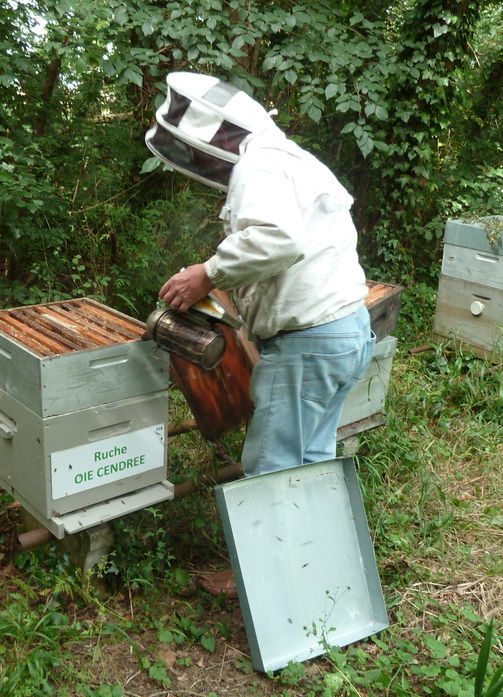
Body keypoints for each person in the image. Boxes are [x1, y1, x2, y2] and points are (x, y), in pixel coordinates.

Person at [146, 72, 375, 482]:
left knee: (273, 473)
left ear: (221, 139)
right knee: (311, 460)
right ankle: (314, 542)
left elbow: (280, 240)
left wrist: (208, 273)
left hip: (309, 344)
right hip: (344, 333)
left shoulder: (258, 165)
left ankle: (281, 544)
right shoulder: (293, 159)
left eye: (201, 153)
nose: (204, 163)